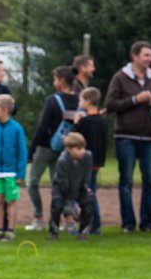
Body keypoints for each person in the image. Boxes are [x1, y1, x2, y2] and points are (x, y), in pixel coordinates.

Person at [105, 41, 151, 233]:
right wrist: (135, 100)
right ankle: (128, 223)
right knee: (126, 181)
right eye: (146, 55)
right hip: (125, 136)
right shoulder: (120, 78)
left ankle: (147, 222)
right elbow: (110, 104)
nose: (150, 59)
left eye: (150, 55)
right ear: (135, 56)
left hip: (149, 138)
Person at [26, 66, 78, 231]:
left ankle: (38, 218)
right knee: (62, 184)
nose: (54, 82)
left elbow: (43, 127)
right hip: (67, 148)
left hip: (46, 147)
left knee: (32, 181)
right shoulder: (78, 100)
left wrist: (32, 149)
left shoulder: (53, 100)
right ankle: (69, 220)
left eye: (55, 79)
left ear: (62, 81)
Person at [0, 93, 27, 240]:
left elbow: (23, 153)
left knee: (11, 201)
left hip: (11, 173)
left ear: (5, 110)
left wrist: (20, 174)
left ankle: (10, 230)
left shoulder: (17, 129)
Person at [47, 132, 94, 240]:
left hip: (80, 185)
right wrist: (70, 205)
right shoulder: (62, 161)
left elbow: (87, 177)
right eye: (78, 148)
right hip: (62, 186)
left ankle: (83, 232)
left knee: (89, 202)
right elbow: (64, 183)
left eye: (83, 148)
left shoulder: (88, 157)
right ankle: (53, 232)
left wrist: (84, 191)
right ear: (69, 149)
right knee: (57, 204)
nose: (82, 151)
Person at [74, 87, 108, 235]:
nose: (80, 103)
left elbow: (74, 139)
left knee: (87, 195)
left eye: (81, 100)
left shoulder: (85, 122)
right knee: (90, 192)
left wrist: (76, 123)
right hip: (96, 162)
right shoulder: (102, 120)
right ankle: (93, 225)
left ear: (88, 101)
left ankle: (92, 225)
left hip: (85, 163)